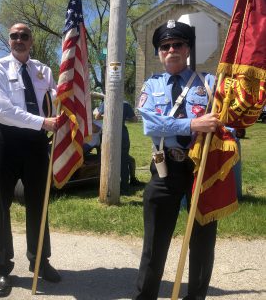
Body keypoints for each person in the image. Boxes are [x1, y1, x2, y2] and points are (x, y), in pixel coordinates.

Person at [133, 20, 223, 300]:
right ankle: (145, 295)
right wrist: (193, 126)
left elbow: (225, 123)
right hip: (165, 169)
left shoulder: (208, 83)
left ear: (187, 49)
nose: (171, 49)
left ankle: (195, 297)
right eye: (164, 46)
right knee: (155, 242)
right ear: (159, 53)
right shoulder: (151, 84)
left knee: (202, 240)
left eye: (177, 44)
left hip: (201, 168)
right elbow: (150, 125)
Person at [0, 23, 61, 298]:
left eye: (24, 36)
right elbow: (3, 110)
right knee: (0, 204)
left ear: (31, 41)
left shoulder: (44, 70)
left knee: (39, 203)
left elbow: (55, 99)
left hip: (37, 143)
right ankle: (2, 267)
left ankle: (40, 261)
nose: (19, 39)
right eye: (14, 36)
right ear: (9, 40)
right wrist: (43, 122)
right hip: (6, 140)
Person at [95, 100, 140, 193]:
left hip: (108, 132)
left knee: (106, 159)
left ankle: (106, 185)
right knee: (123, 160)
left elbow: (97, 116)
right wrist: (123, 117)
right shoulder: (126, 104)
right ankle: (124, 187)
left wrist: (108, 116)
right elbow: (135, 119)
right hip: (121, 132)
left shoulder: (106, 102)